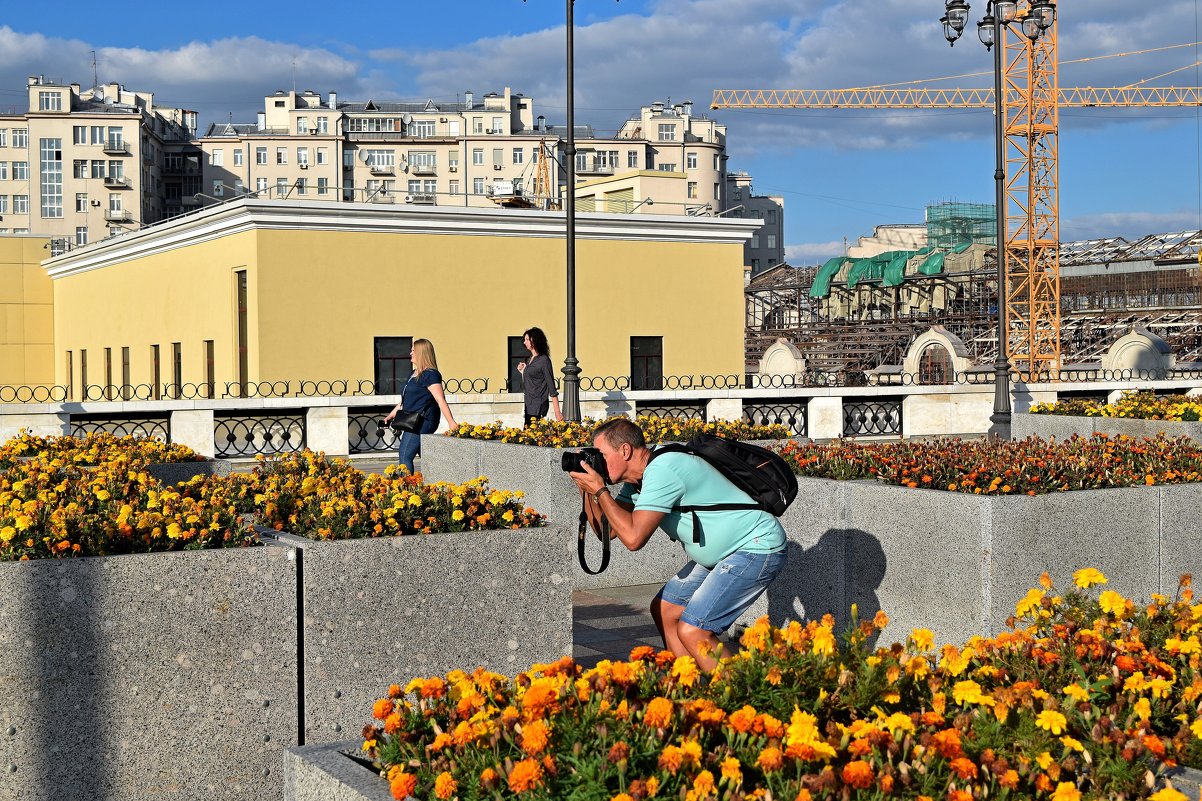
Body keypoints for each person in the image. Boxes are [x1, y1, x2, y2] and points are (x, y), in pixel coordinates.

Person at [568, 417, 787, 671]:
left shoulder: (664, 469)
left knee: (695, 630)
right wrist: (587, 490)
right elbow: (609, 531)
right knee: (665, 610)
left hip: (756, 547)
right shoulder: (639, 479)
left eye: (600, 455)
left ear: (625, 450)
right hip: (725, 553)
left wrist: (600, 491)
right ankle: (690, 694)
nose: (596, 461)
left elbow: (633, 538)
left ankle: (740, 699)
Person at [384, 339, 457, 475]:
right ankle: (442, 480)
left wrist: (451, 422)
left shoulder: (430, 374)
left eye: (413, 350)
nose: (410, 352)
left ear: (421, 353)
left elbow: (440, 399)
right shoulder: (413, 374)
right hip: (412, 420)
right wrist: (390, 416)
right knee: (427, 457)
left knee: (405, 455)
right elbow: (404, 401)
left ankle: (406, 489)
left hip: (423, 420)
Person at [516, 327, 562, 427]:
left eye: (527, 339)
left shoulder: (544, 360)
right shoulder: (530, 359)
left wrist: (557, 411)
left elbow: (551, 386)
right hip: (528, 404)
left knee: (533, 437)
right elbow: (533, 379)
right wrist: (523, 370)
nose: (524, 342)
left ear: (535, 340)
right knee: (527, 437)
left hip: (538, 405)